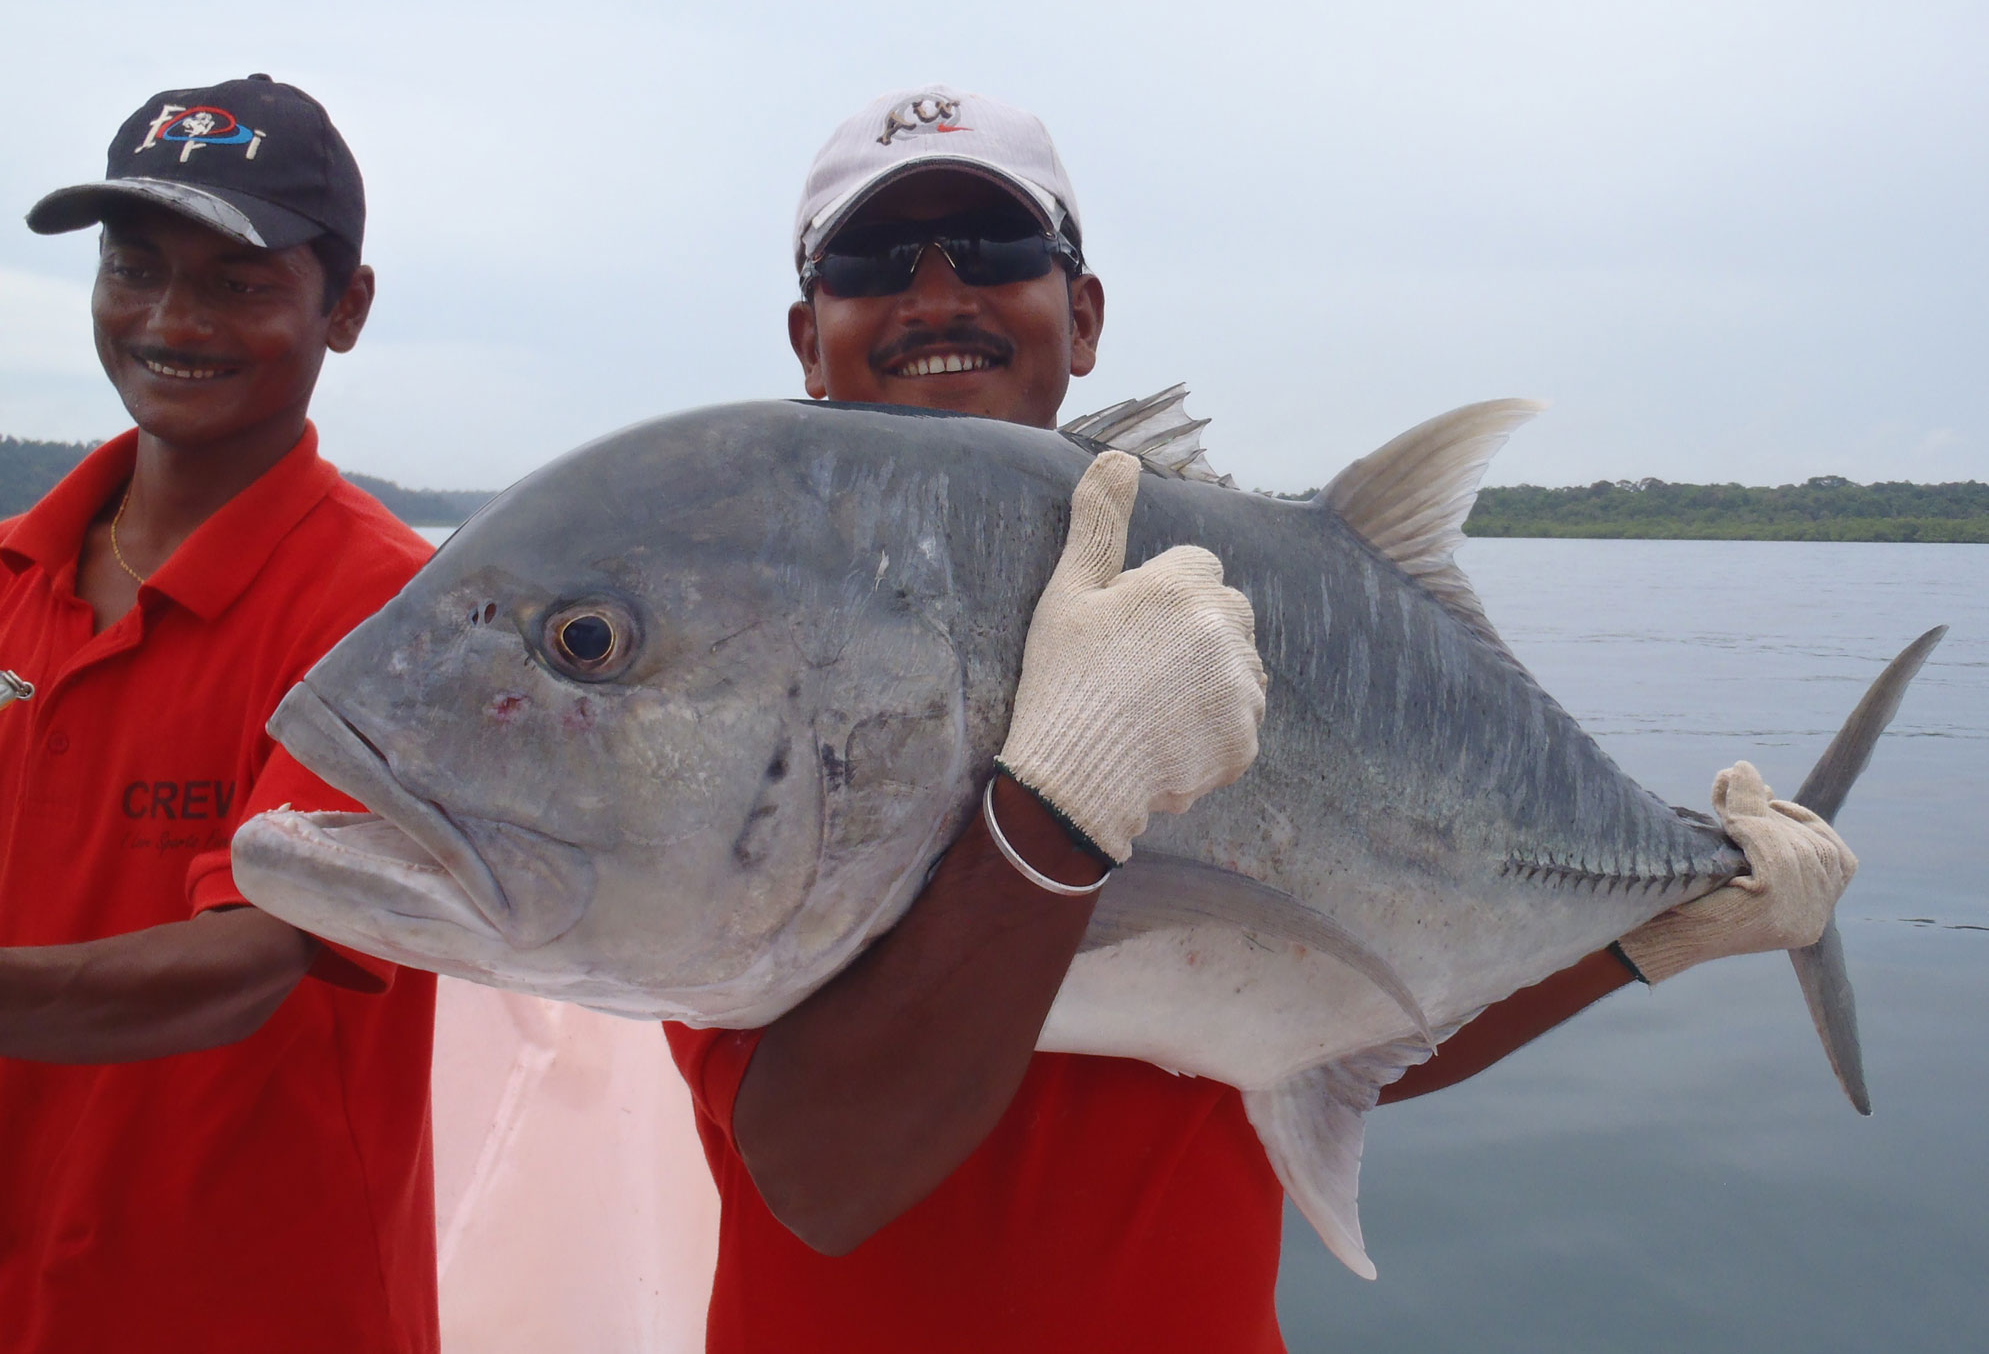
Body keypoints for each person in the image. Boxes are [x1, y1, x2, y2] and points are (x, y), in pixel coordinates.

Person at [664, 85, 1859, 1351]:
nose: (939, 291)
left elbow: (1342, 1020)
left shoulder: (1232, 606)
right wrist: (1066, 805)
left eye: (1000, 249)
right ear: (809, 334)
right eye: (873, 259)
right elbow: (826, 1176)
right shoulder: (758, 641)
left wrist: (1654, 938)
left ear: (1082, 317)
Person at [0, 76, 438, 1353]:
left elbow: (250, 962)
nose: (170, 321)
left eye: (238, 283)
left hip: (256, 1307)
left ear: (343, 308)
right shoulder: (17, 569)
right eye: (133, 269)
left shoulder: (394, 613)